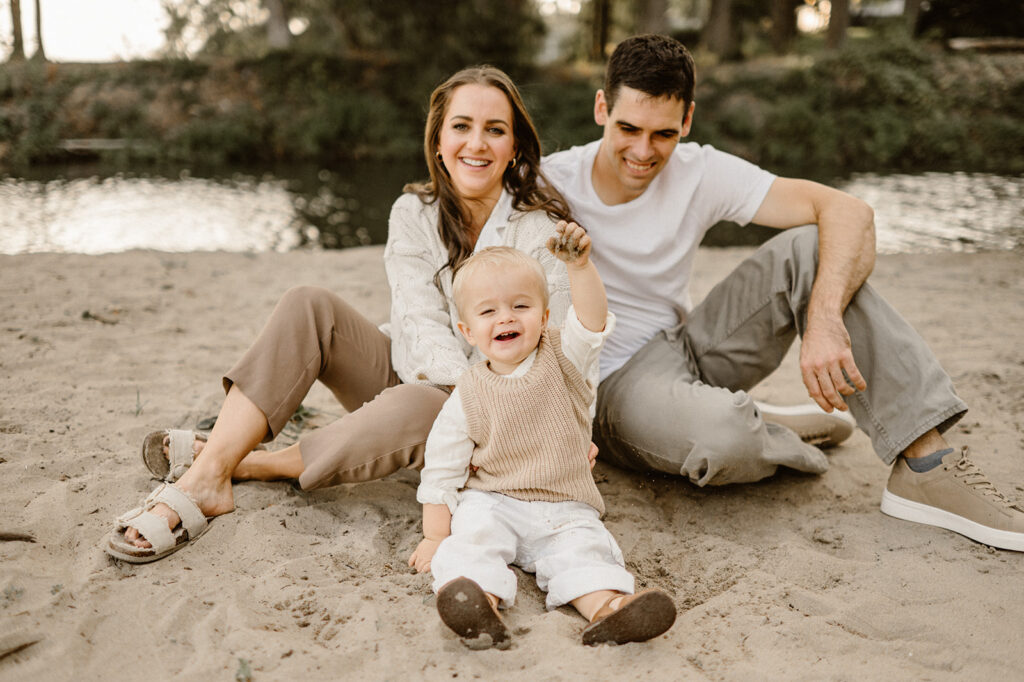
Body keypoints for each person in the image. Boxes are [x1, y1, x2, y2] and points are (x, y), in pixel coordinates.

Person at [539, 34, 1024, 551]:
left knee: (816, 246)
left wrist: (824, 322)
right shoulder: (550, 182)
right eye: (627, 128)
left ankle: (927, 463)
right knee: (724, 437)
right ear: (600, 108)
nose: (642, 151)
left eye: (662, 134)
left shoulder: (698, 170)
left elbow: (851, 213)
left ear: (687, 120)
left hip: (685, 348)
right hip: (610, 386)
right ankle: (759, 423)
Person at [104, 65, 580, 562]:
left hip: (503, 419)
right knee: (309, 304)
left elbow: (561, 349)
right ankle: (211, 475)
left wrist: (485, 408)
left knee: (420, 404)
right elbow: (418, 322)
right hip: (416, 375)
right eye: (461, 126)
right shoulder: (413, 212)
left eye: (495, 130)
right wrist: (457, 389)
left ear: (515, 147)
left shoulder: (542, 229)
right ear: (438, 141)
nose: (476, 143)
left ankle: (247, 465)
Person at [408, 240, 676, 648]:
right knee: (473, 539)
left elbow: (591, 322)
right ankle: (481, 605)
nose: (506, 318)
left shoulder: (564, 356)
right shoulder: (469, 391)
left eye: (520, 306)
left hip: (565, 503)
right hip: (495, 499)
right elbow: (442, 468)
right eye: (488, 311)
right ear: (467, 332)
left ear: (546, 316)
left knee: (584, 550)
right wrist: (433, 536)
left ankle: (610, 609)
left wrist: (580, 267)